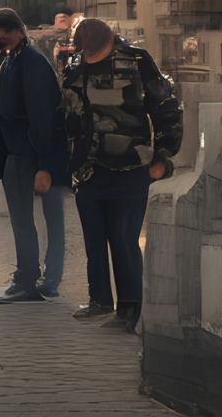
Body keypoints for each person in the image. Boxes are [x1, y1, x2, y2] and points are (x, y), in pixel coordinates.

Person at [62, 18, 182, 331]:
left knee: (124, 241)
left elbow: (166, 106)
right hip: (87, 170)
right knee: (94, 240)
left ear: (111, 41)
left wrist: (164, 155)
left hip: (131, 167)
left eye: (96, 54)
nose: (91, 59)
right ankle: (99, 301)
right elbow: (66, 113)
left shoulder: (138, 61)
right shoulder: (76, 64)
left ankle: (129, 311)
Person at [0, 8, 69, 304]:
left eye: (2, 31)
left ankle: (29, 280)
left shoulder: (29, 63)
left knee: (32, 219)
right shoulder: (12, 60)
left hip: (31, 154)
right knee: (38, 218)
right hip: (23, 153)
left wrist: (44, 166)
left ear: (18, 32)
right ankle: (41, 279)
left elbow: (42, 117)